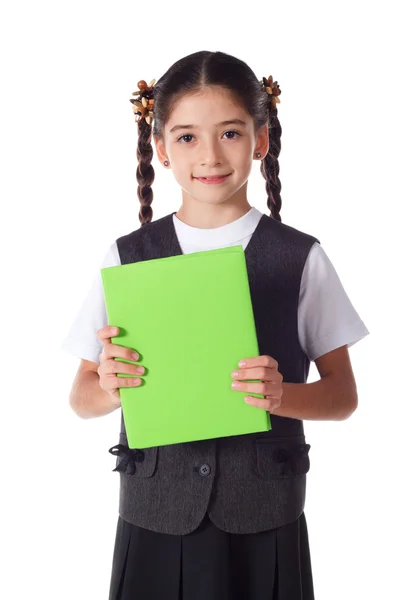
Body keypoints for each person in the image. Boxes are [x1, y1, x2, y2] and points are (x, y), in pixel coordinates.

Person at [61, 50, 369, 600]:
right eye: (186, 137)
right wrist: (109, 386)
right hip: (155, 512)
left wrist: (282, 396)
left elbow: (343, 396)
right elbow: (81, 396)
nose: (209, 155)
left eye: (229, 133)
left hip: (264, 513)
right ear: (159, 148)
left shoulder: (300, 256)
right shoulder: (127, 256)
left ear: (261, 139)